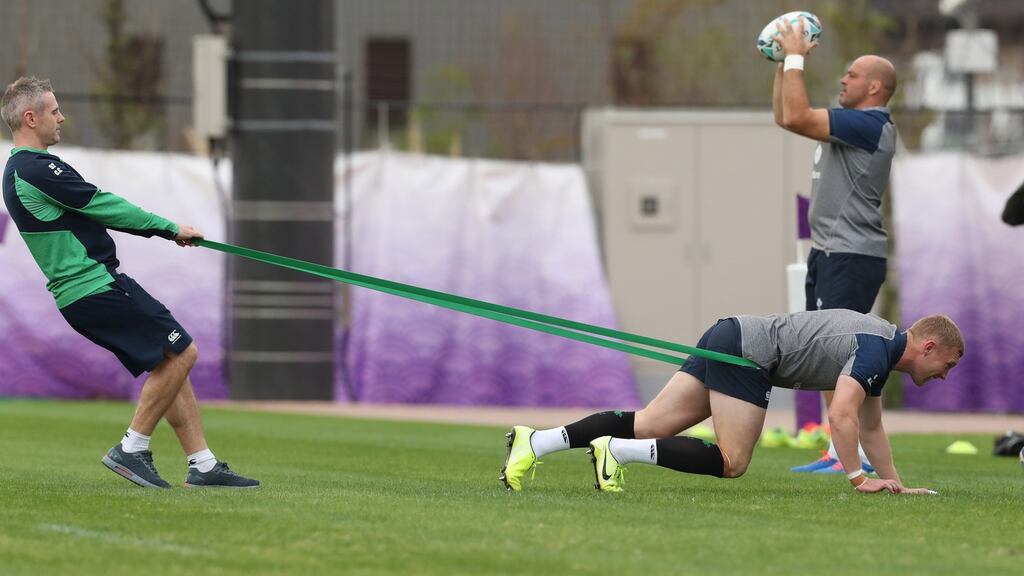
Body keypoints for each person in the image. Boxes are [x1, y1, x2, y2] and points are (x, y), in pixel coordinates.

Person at [1, 76, 258, 489]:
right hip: (94, 286)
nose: (61, 117)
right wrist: (168, 227)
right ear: (30, 118)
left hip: (89, 290)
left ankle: (203, 465)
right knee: (184, 352)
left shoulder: (22, 169)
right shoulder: (33, 168)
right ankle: (132, 447)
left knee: (169, 359)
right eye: (53, 111)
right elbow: (103, 205)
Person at [500, 309, 963, 494]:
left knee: (649, 423)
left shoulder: (880, 348)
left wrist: (896, 484)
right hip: (749, 353)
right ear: (928, 347)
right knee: (733, 460)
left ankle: (534, 443)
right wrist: (859, 478)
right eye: (947, 364)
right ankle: (614, 452)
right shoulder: (876, 348)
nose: (944, 375)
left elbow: (871, 427)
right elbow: (840, 414)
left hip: (734, 333)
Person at [772, 18, 900, 474]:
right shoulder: (856, 122)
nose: (843, 78)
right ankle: (836, 450)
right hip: (829, 252)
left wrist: (794, 58)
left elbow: (800, 114)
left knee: (840, 350)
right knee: (826, 353)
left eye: (851, 74)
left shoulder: (870, 124)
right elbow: (787, 117)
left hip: (851, 254)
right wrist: (779, 61)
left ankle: (851, 454)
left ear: (875, 87)